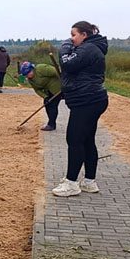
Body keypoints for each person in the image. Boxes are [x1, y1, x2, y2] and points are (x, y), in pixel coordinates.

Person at [52, 20, 109, 197]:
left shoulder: (88, 48)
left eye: (73, 35)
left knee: (74, 139)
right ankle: (89, 182)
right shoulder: (90, 48)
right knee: (87, 140)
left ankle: (71, 183)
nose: (71, 38)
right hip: (91, 99)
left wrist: (64, 47)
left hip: (87, 100)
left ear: (84, 35)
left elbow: (67, 64)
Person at [19, 61, 62, 131]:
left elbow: (56, 72)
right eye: (25, 75)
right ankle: (51, 124)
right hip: (48, 91)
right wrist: (45, 97)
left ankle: (51, 124)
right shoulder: (30, 80)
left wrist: (64, 81)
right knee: (47, 104)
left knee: (53, 105)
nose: (27, 76)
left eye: (28, 73)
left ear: (32, 69)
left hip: (58, 87)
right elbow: (37, 90)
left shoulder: (41, 68)